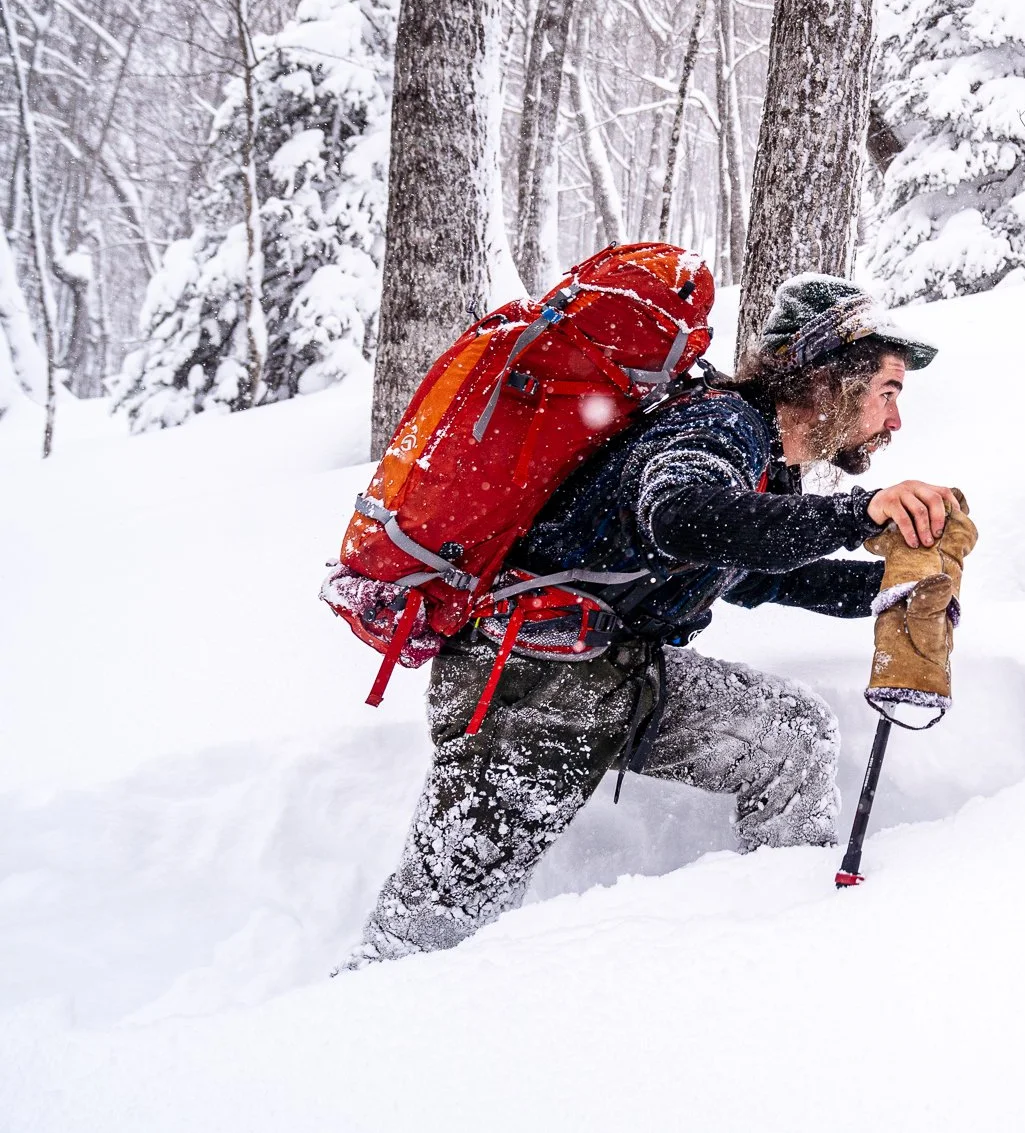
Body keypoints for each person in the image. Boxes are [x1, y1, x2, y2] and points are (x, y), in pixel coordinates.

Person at [341, 274, 962, 967]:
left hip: (610, 677)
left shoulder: (759, 458)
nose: (895, 420)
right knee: (421, 937)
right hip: (527, 685)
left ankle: (795, 946)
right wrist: (857, 514)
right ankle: (342, 1030)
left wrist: (883, 589)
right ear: (828, 376)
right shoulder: (719, 424)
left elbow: (749, 569)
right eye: (888, 391)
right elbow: (682, 518)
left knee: (792, 737)